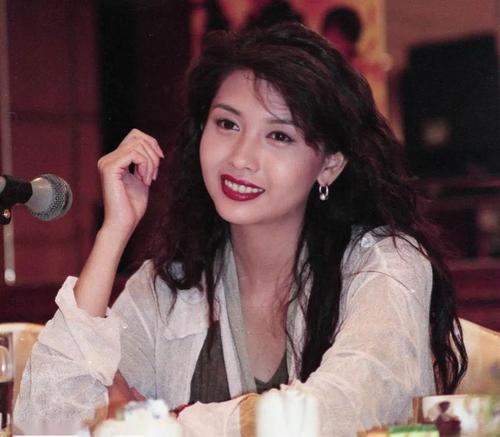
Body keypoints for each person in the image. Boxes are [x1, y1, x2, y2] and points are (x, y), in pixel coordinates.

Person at [15, 22, 467, 436]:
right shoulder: (169, 286)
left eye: (279, 135)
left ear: (330, 164)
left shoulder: (386, 264)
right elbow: (46, 424)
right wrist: (114, 232)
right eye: (227, 124)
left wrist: (166, 423)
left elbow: (346, 412)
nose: (241, 158)